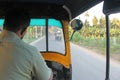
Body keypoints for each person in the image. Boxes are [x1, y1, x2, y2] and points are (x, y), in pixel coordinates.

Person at [0, 8, 53, 80]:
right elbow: (48, 78)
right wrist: (50, 71)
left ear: (4, 25)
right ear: (23, 31)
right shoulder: (31, 52)